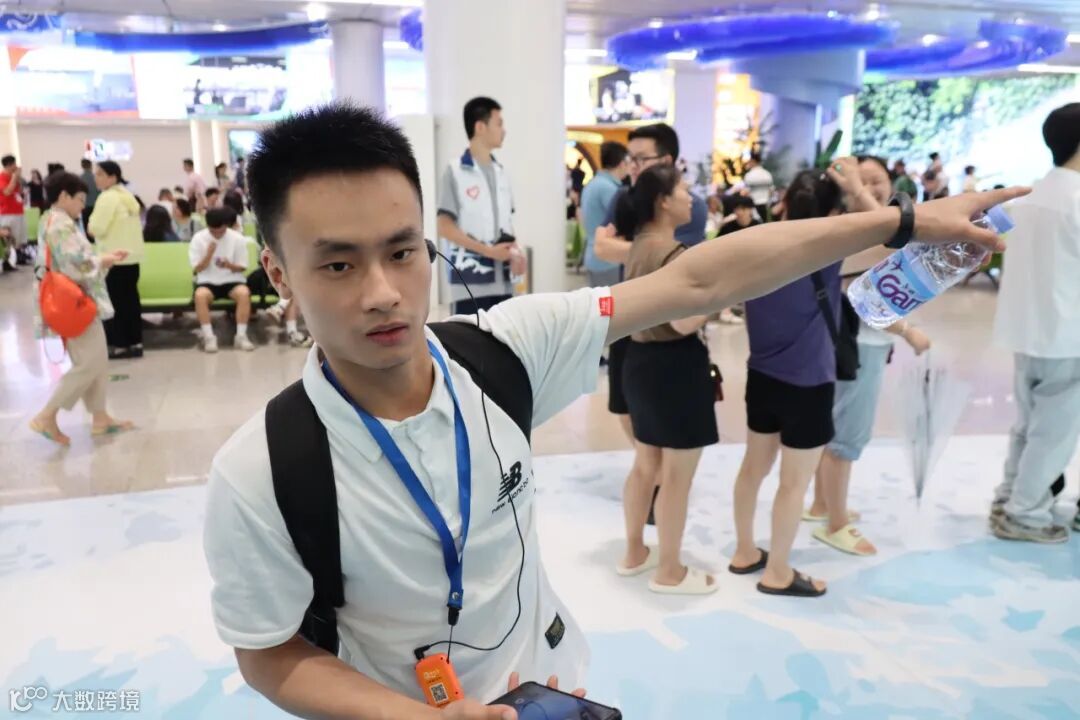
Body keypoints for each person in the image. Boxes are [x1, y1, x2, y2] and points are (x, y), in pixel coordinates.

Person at [201, 101, 1020, 719]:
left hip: (551, 687)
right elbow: (269, 652)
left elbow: (699, 278)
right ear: (278, 273)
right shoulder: (263, 469)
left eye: (402, 251)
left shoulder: (502, 352)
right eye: (338, 266)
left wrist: (905, 221)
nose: (384, 292)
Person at [729, 170, 848, 598]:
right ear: (832, 213)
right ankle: (777, 571)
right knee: (793, 484)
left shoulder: (757, 247)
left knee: (752, 469)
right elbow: (893, 237)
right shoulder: (829, 255)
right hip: (809, 384)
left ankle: (744, 551)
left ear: (784, 203)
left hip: (762, 377)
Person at [806, 156, 932, 555]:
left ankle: (823, 504)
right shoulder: (861, 233)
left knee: (836, 429)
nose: (872, 189)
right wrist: (909, 332)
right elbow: (865, 297)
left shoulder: (858, 229)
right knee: (847, 437)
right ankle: (835, 524)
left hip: (855, 346)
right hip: (861, 346)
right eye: (863, 182)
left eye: (877, 180)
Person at [615, 164, 717, 595]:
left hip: (639, 362)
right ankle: (670, 570)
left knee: (646, 464)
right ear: (662, 201)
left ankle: (634, 551)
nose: (690, 198)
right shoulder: (674, 254)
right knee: (677, 474)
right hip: (675, 368)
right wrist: (718, 297)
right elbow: (682, 323)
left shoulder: (639, 246)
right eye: (683, 190)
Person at [992, 102, 1080, 543]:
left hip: (1027, 327)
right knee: (1053, 432)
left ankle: (1010, 496)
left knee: (1028, 425)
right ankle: (1025, 513)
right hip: (1068, 333)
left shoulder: (1029, 196)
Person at [28, 171, 134, 445]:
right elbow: (76, 264)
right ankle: (46, 415)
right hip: (75, 303)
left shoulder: (49, 219)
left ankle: (100, 417)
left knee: (96, 360)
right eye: (79, 200)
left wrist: (102, 259)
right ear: (64, 196)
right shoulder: (60, 224)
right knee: (89, 363)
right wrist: (104, 260)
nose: (81, 206)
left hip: (72, 301)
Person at [437, 96, 525, 315]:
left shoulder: (501, 172)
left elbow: (507, 225)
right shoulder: (455, 172)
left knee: (503, 336)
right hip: (470, 284)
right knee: (468, 337)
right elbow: (444, 227)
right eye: (499, 123)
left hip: (504, 282)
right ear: (480, 127)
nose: (504, 130)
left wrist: (517, 254)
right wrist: (489, 252)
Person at [88, 161, 144, 360]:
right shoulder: (127, 196)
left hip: (113, 259)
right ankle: (136, 343)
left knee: (115, 304)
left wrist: (90, 226)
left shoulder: (107, 197)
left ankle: (120, 345)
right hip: (132, 259)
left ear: (113, 177)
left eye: (100, 174)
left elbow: (96, 228)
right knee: (131, 302)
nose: (96, 178)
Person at [189, 206, 254, 353]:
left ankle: (241, 335)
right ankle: (209, 337)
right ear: (208, 227)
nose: (218, 235)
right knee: (200, 296)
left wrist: (229, 265)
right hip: (207, 281)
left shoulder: (237, 238)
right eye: (214, 232)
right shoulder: (198, 239)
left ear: (226, 226)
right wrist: (208, 254)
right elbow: (197, 269)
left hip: (232, 280)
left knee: (244, 293)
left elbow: (242, 267)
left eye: (221, 231)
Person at [581, 141, 629, 288]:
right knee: (609, 301)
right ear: (622, 163)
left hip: (594, 254)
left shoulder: (593, 184)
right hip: (607, 260)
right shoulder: (609, 189)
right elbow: (622, 221)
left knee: (599, 300)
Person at [0, 155, 28, 265]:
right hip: (8, 212)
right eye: (14, 164)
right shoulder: (2, 177)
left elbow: (19, 191)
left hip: (18, 210)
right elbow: (7, 191)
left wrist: (18, 178)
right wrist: (14, 177)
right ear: (8, 165)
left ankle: (16, 257)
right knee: (9, 237)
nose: (16, 166)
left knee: (18, 237)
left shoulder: (13, 177)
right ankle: (7, 260)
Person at [743, 153, 774, 222]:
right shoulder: (767, 174)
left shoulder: (748, 175)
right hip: (766, 204)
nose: (748, 163)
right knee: (768, 223)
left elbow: (746, 192)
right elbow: (771, 191)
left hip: (754, 206)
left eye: (749, 161)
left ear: (753, 161)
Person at [79, 159, 99, 228]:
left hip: (84, 207)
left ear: (82, 166)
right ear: (91, 166)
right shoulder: (96, 178)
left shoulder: (80, 179)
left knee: (86, 226)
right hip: (96, 206)